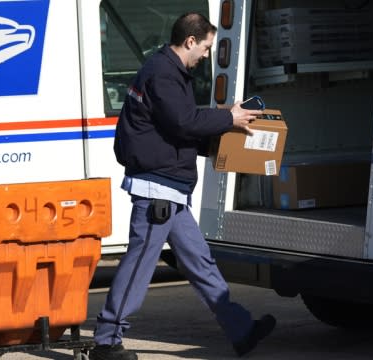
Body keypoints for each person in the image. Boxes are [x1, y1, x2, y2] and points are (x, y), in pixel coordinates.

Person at [89, 12, 276, 360]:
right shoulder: (162, 73)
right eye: (205, 47)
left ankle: (241, 329)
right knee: (139, 265)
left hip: (170, 190)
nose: (207, 55)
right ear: (190, 41)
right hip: (156, 191)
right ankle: (106, 341)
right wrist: (227, 118)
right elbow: (184, 122)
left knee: (201, 262)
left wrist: (223, 132)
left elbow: (176, 130)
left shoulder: (170, 73)